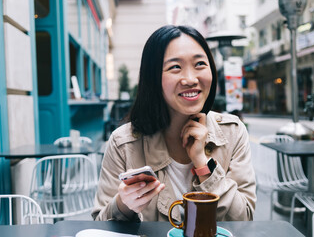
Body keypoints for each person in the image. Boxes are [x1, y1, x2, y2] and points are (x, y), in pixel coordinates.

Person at [92, 25, 256, 222]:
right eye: (175, 67)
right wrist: (123, 204)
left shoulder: (232, 132)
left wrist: (202, 163)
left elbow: (244, 219)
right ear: (153, 78)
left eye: (200, 64)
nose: (190, 79)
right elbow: (99, 225)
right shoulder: (123, 142)